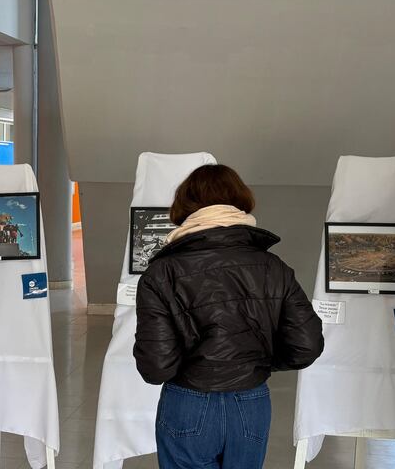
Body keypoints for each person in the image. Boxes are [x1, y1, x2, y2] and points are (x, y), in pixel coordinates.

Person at [133, 164, 324, 469]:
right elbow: (307, 345)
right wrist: (258, 361)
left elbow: (156, 367)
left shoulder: (162, 272)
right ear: (240, 202)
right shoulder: (272, 267)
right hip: (251, 402)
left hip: (189, 402)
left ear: (185, 206)